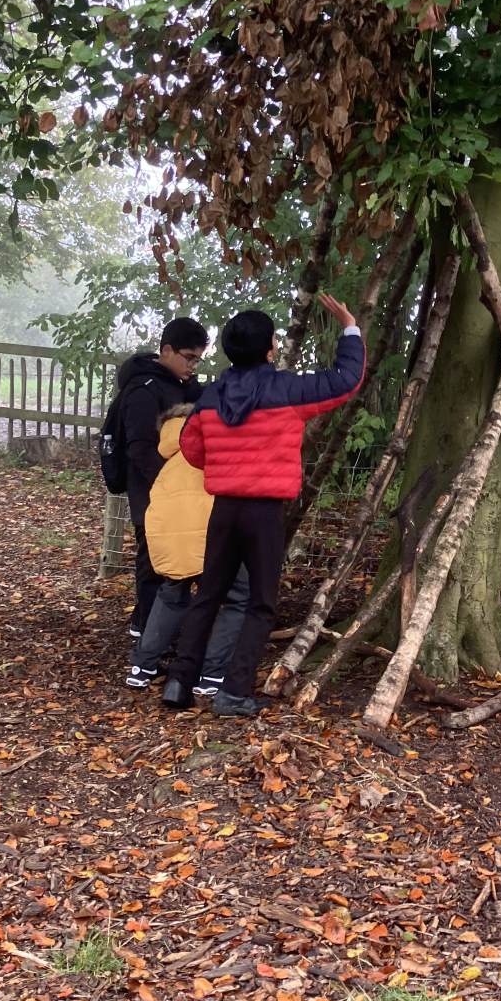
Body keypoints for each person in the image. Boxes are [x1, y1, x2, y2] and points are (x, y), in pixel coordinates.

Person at [162, 293, 364, 716]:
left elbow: (191, 448)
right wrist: (350, 328)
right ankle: (234, 692)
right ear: (269, 349)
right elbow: (345, 380)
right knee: (260, 602)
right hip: (265, 513)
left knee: (208, 594)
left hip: (224, 510)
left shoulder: (212, 396)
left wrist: (227, 461)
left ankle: (178, 683)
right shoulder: (288, 390)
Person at [125, 404, 251, 694]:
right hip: (212, 538)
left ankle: (142, 666)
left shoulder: (168, 465)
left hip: (170, 540)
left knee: (172, 594)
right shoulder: (210, 451)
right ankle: (213, 673)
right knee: (238, 596)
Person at [114, 317, 207, 636]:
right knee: (152, 561)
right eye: (188, 357)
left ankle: (158, 628)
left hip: (181, 493)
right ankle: (146, 632)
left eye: (198, 359)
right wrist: (166, 485)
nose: (193, 365)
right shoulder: (143, 390)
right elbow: (140, 448)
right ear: (166, 350)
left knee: (176, 560)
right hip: (150, 491)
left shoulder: (185, 386)